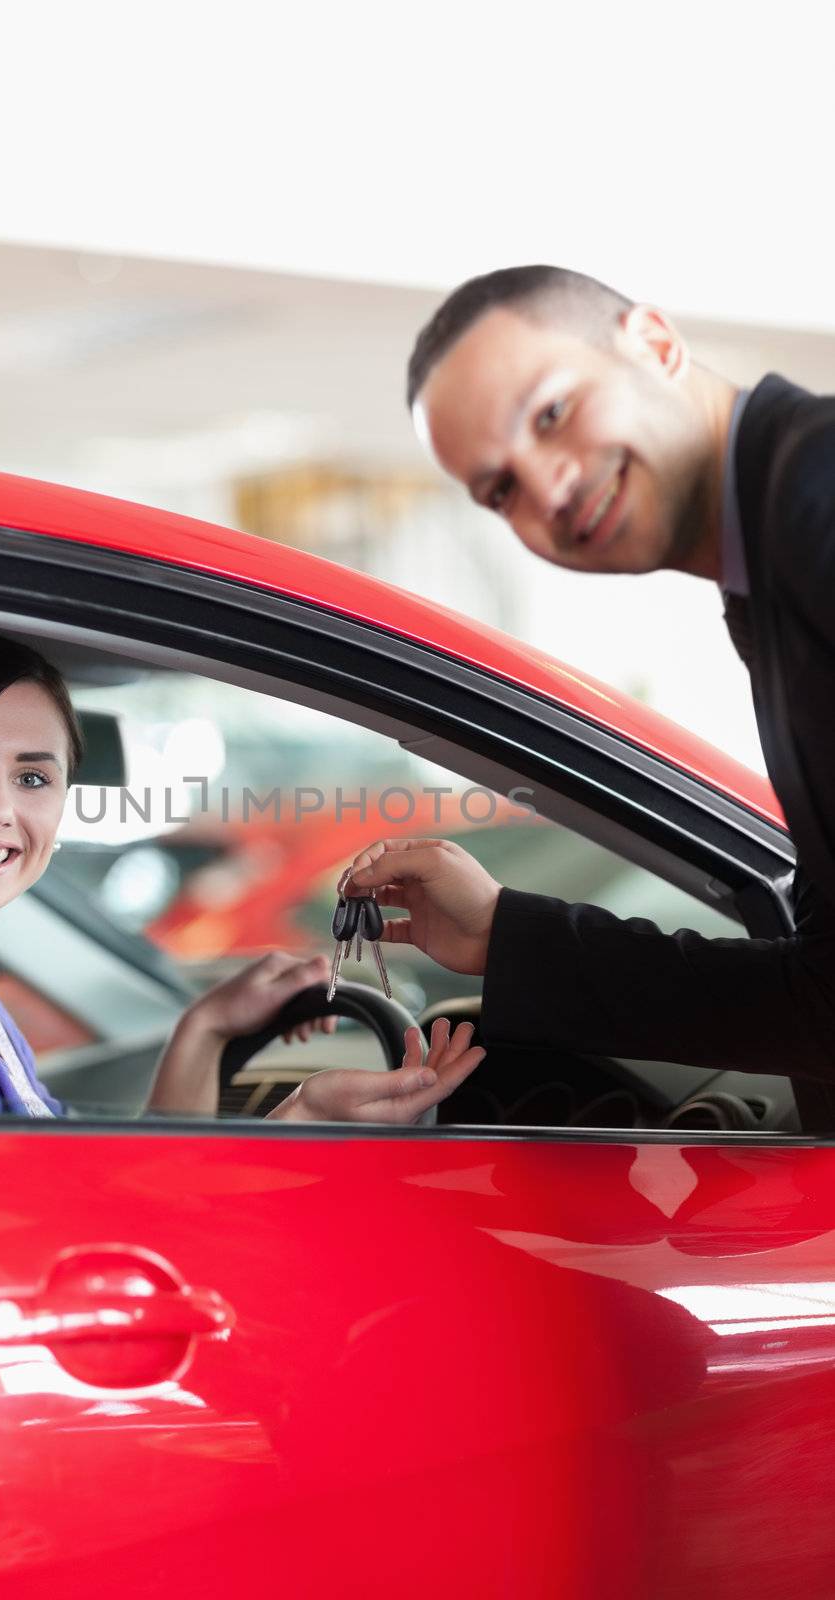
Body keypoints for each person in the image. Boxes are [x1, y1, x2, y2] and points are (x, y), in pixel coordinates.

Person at [344, 265, 835, 1080]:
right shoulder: (771, 569)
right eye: (500, 490)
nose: (548, 487)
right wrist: (502, 936)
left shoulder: (815, 493)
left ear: (655, 344)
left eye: (552, 413)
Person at [0, 629, 483, 1120]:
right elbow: (66, 1225)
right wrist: (303, 1112)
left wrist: (206, 1029)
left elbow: (92, 1181)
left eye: (33, 778)